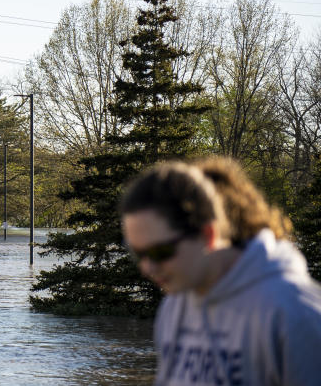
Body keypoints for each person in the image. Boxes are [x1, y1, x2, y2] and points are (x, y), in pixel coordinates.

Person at [120, 158, 321, 385]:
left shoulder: (296, 313)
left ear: (208, 235)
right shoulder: (174, 307)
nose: (147, 268)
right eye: (138, 253)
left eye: (161, 251)